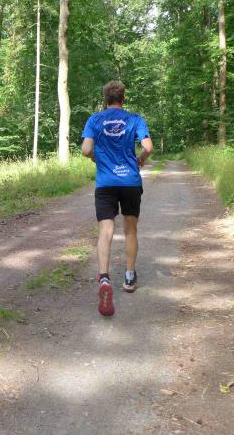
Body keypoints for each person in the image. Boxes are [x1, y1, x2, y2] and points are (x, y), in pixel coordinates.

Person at [81, 80, 153, 316]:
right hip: (130, 181)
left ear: (105, 99)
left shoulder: (95, 120)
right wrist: (140, 159)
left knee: (106, 230)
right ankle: (129, 277)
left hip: (106, 183)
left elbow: (85, 149)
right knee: (130, 230)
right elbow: (148, 147)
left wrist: (95, 157)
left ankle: (104, 278)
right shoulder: (135, 119)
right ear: (123, 98)